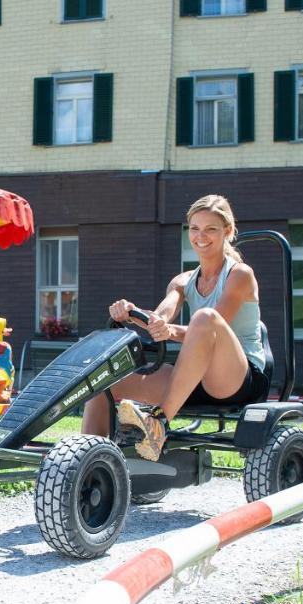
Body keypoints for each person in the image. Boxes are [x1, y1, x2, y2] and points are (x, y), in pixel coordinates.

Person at [83, 194, 269, 461]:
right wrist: (131, 312)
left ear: (227, 231)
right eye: (195, 228)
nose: (200, 236)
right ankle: (88, 463)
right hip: (193, 376)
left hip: (237, 378)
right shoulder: (183, 281)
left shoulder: (239, 274)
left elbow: (212, 325)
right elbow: (160, 318)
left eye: (211, 229)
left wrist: (169, 330)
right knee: (104, 382)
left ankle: (159, 422)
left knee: (205, 318)